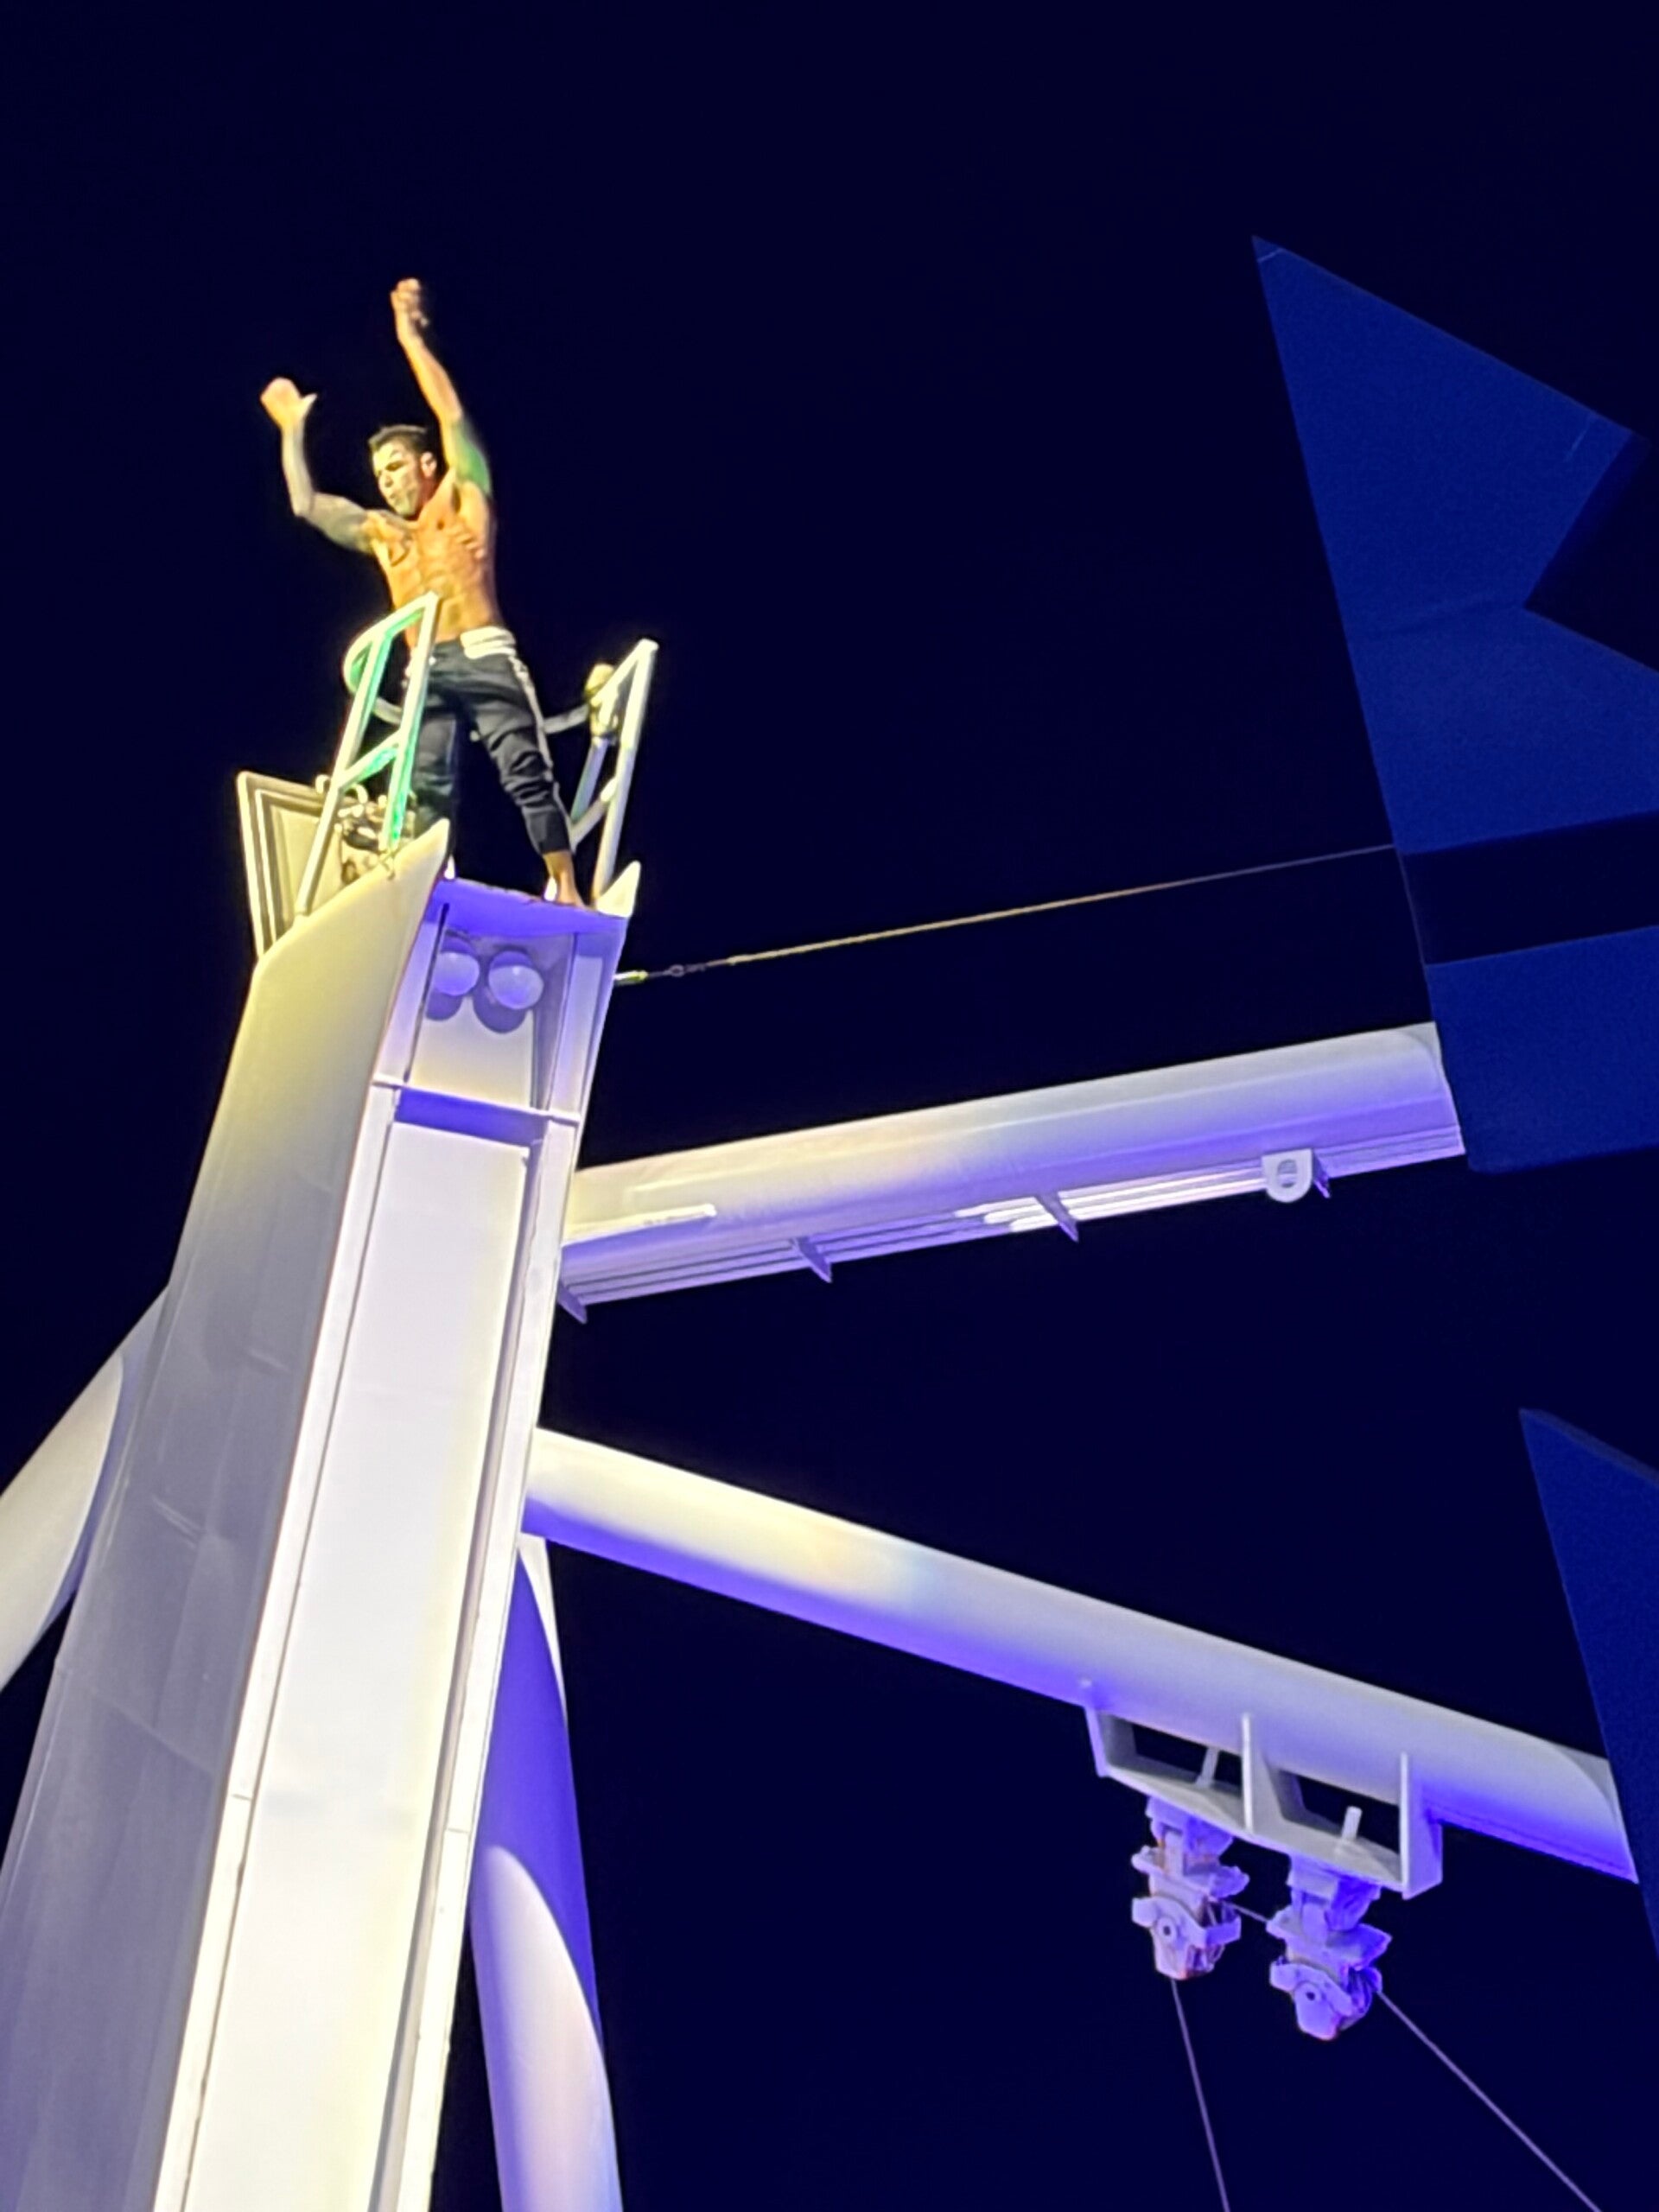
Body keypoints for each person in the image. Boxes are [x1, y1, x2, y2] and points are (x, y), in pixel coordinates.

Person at [261, 279, 582, 903]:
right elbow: (307, 505)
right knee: (425, 785)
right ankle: (429, 892)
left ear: (427, 465)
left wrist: (410, 339)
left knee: (523, 767)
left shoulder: (462, 501)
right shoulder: (384, 535)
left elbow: (452, 416)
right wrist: (291, 431)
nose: (386, 483)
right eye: (379, 475)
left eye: (396, 467)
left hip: (482, 649)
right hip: (426, 668)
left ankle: (565, 884)